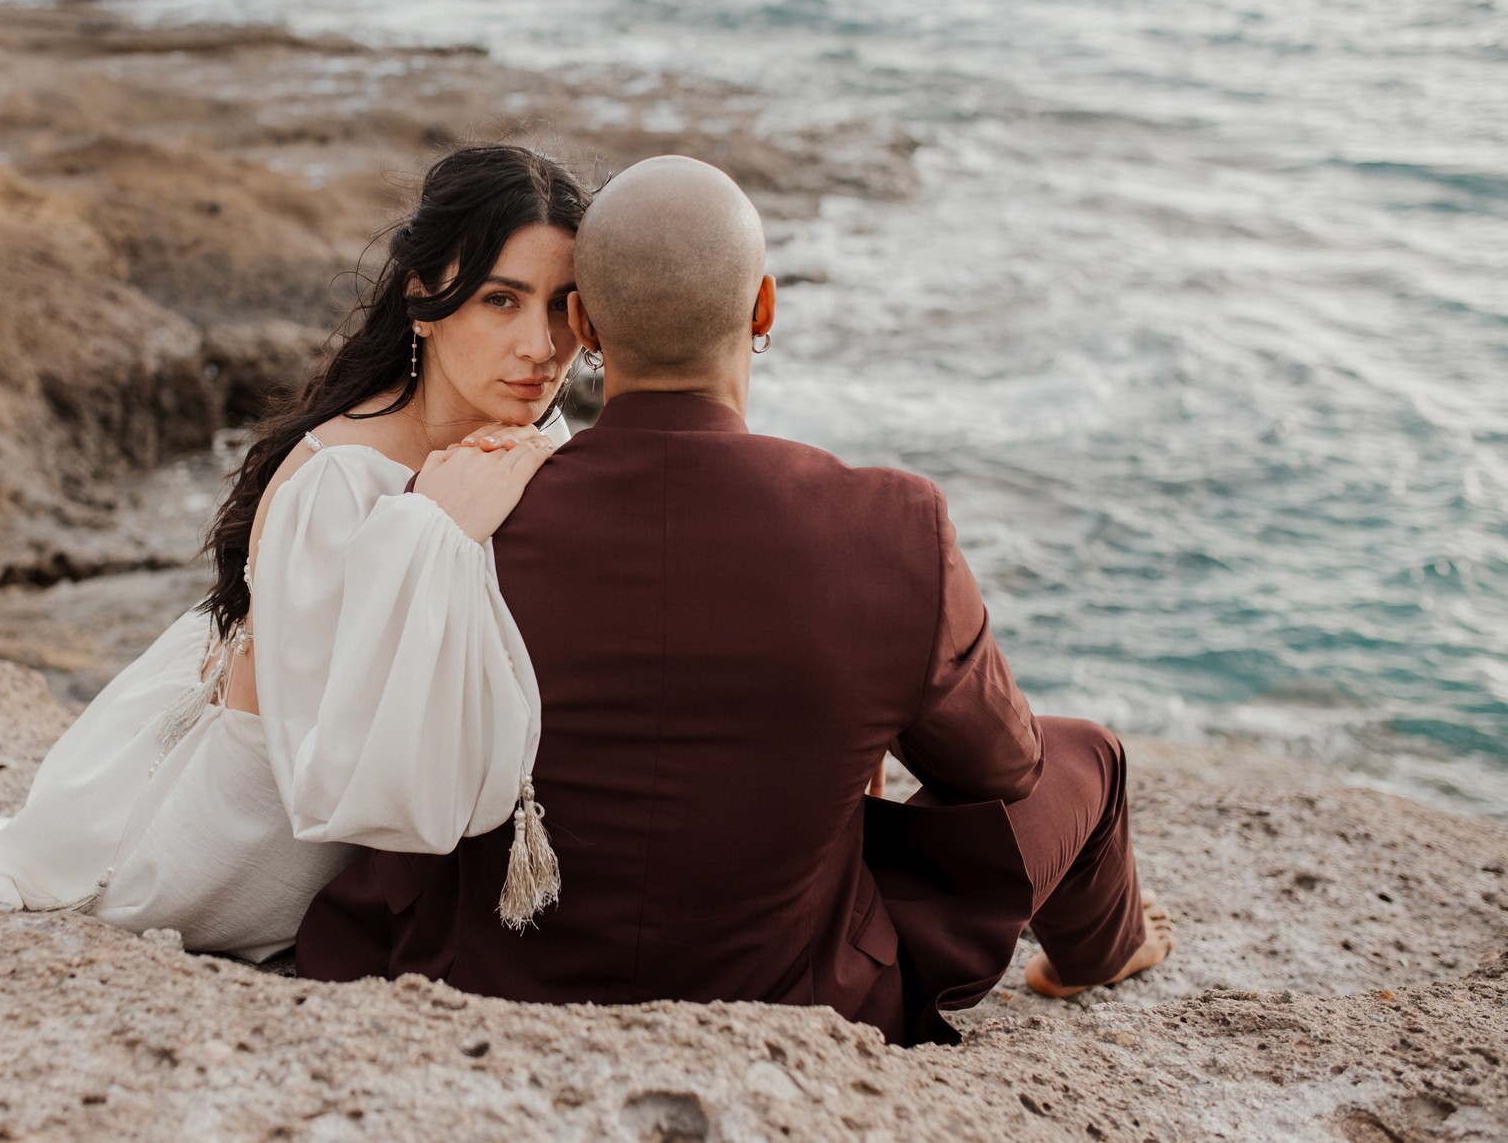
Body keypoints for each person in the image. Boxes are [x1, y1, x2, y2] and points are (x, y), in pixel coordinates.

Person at [295, 155, 1175, 1045]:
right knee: (1085, 754)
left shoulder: (461, 508)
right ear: (763, 308)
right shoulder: (893, 523)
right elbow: (1001, 771)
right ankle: (1103, 952)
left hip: (487, 969)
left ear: (584, 324)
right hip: (793, 996)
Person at [0, 144, 589, 960]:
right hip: (246, 838)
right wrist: (436, 529)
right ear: (426, 298)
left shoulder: (526, 453)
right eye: (501, 299)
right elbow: (335, 766)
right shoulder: (341, 479)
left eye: (564, 307)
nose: (538, 345)